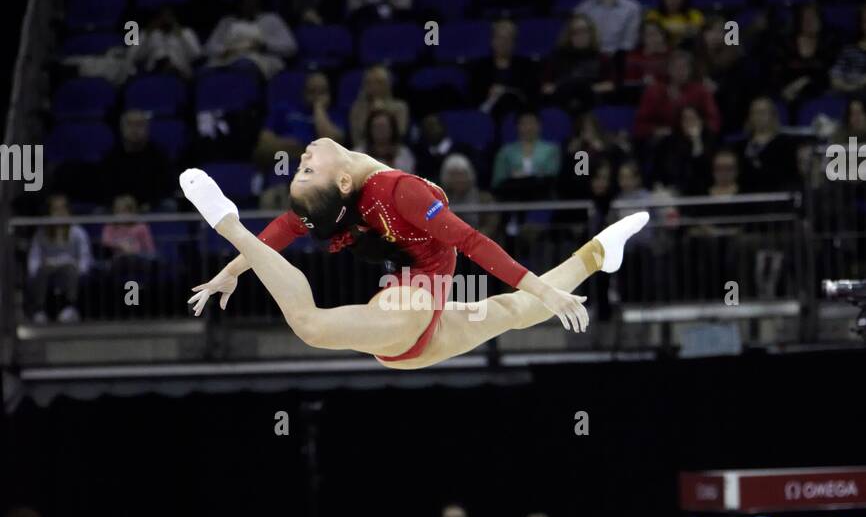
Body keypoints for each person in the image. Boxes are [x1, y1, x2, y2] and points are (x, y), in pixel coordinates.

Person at [180, 141, 650, 369]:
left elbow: (471, 242)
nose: (303, 157)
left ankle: (597, 254)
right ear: (341, 183)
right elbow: (277, 235)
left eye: (303, 168)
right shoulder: (371, 192)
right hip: (411, 312)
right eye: (305, 169)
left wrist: (545, 290)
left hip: (417, 315)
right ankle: (228, 224)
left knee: (513, 310)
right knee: (310, 325)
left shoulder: (381, 191)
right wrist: (232, 270)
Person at [27, 194, 92, 324]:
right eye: (55, 210)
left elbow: (85, 256)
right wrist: (34, 272)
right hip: (48, 267)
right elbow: (34, 256)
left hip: (70, 269)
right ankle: (40, 310)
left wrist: (81, 269)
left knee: (70, 269)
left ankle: (70, 307)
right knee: (41, 270)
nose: (60, 213)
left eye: (63, 209)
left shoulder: (77, 232)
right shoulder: (42, 233)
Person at [204, 0, 297, 79]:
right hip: (228, 58)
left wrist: (264, 46)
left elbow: (290, 47)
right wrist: (225, 50)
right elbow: (209, 47)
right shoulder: (227, 22)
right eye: (246, 2)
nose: (249, 6)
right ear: (239, 4)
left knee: (243, 66)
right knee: (204, 72)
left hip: (261, 59)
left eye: (253, 2)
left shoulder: (272, 19)